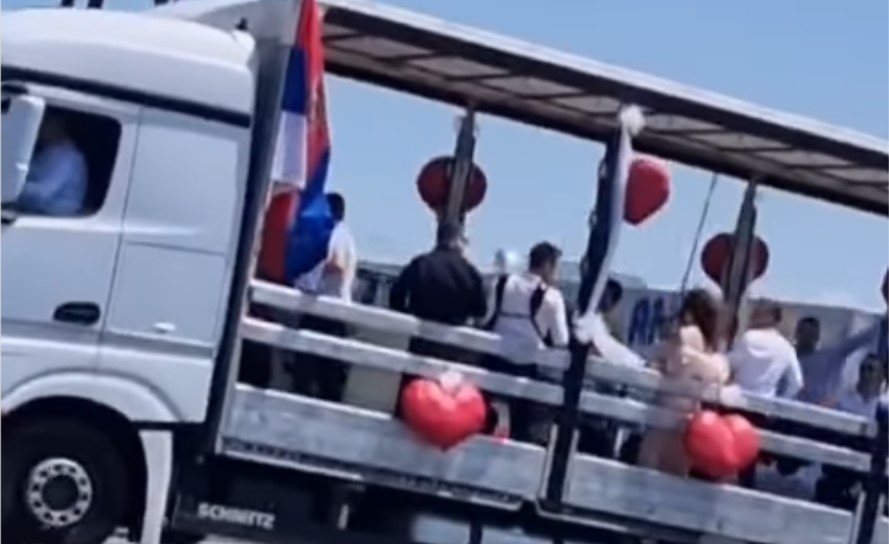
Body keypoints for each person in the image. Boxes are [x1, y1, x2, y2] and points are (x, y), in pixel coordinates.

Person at [637, 288, 730, 477]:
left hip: (666, 415)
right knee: (676, 475)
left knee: (649, 468)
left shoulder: (684, 337)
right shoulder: (713, 354)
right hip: (689, 422)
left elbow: (667, 362)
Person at [483, 242, 570, 442]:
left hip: (495, 362)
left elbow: (486, 318)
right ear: (547, 265)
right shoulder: (552, 297)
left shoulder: (501, 283)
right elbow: (561, 340)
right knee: (519, 431)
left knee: (489, 424)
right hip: (527, 369)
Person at [289, 192, 358, 401]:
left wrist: (311, 273)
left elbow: (336, 264)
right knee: (330, 379)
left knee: (306, 374)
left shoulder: (334, 233)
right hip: (337, 313)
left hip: (323, 310)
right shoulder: (348, 235)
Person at [389, 219, 487, 360]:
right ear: (456, 240)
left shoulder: (420, 264)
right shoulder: (470, 272)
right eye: (464, 241)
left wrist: (410, 314)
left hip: (421, 338)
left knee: (415, 373)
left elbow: (396, 298)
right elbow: (480, 311)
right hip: (453, 344)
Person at [815, 354, 888, 511]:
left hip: (872, 464)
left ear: (882, 375)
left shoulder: (884, 406)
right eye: (863, 369)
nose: (866, 373)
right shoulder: (843, 401)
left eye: (871, 369)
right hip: (844, 461)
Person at [728, 303, 804, 399]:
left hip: (740, 399)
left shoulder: (749, 338)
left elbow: (729, 364)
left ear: (770, 316)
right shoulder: (787, 347)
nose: (753, 315)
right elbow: (797, 383)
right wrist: (781, 401)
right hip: (765, 404)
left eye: (758, 312)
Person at [18, 113, 88, 216]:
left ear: (56, 127)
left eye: (43, 125)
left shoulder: (67, 158)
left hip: (56, 216)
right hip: (35, 211)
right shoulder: (46, 151)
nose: (39, 130)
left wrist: (13, 186)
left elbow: (42, 194)